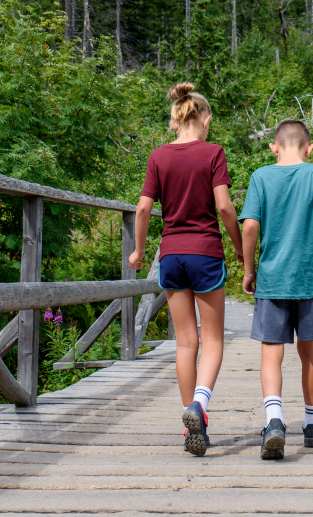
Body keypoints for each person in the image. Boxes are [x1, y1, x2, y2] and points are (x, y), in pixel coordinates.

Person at [130, 82, 242, 457]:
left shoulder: (158, 157)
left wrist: (139, 250)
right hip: (206, 253)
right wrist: (240, 248)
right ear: (204, 118)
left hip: (172, 256)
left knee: (185, 343)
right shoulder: (213, 153)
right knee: (212, 341)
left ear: (177, 120)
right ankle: (200, 406)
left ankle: (191, 428)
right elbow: (225, 207)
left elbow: (143, 209)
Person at [240, 118, 313, 460]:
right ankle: (312, 426)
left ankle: (274, 421)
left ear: (274, 147)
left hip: (271, 278)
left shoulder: (260, 177)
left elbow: (251, 225)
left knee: (272, 353)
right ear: (309, 148)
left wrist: (249, 269)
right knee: (309, 352)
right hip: (308, 280)